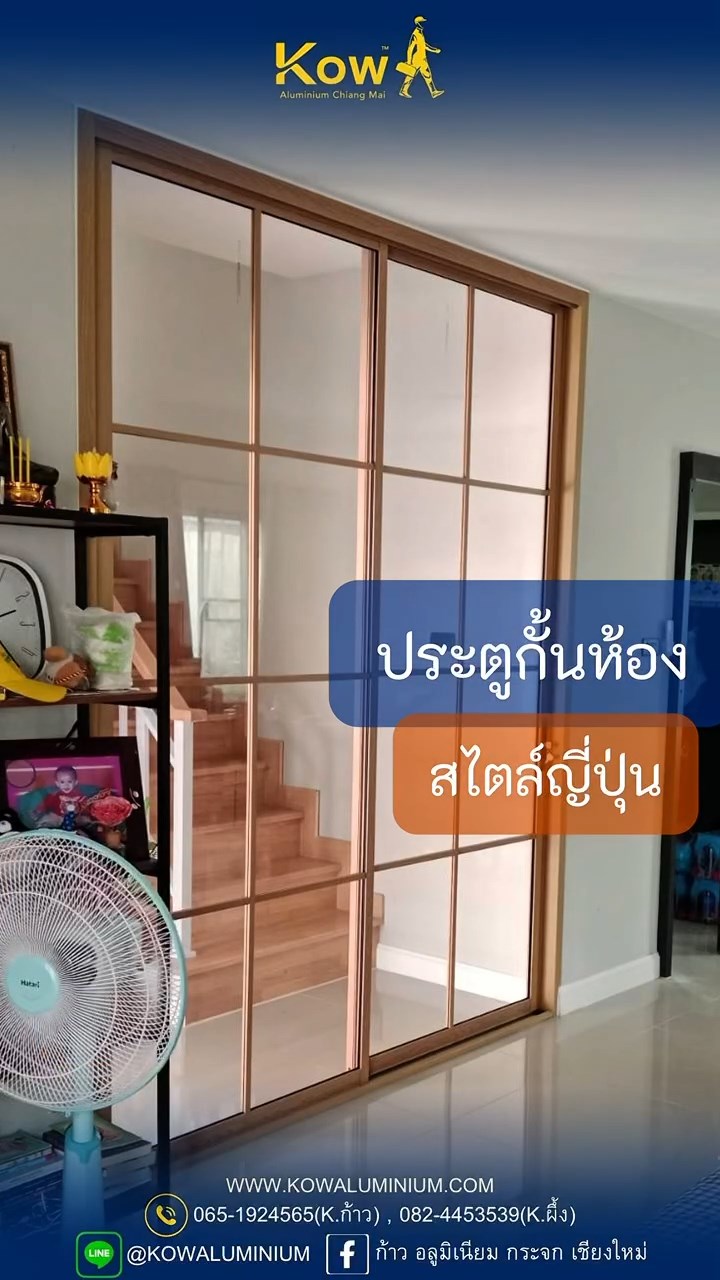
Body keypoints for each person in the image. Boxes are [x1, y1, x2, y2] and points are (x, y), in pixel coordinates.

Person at [34, 765, 93, 832]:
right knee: (47, 818)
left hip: (74, 818)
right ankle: (44, 833)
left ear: (75, 782)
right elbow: (46, 803)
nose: (66, 785)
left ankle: (82, 833)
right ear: (57, 783)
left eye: (69, 781)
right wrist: (39, 810)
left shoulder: (80, 795)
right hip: (58, 817)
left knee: (86, 820)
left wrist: (85, 810)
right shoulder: (55, 795)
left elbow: (86, 805)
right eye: (62, 782)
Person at [397, 16, 444, 99]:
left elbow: (424, 45)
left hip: (423, 58)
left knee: (427, 75)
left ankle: (433, 92)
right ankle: (403, 90)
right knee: (411, 74)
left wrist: (434, 50)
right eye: (422, 22)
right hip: (417, 59)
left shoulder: (421, 33)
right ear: (418, 23)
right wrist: (409, 61)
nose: (424, 24)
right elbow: (410, 49)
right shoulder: (415, 34)